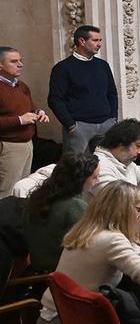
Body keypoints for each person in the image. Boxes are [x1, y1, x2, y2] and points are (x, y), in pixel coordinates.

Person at [34, 181, 140, 324]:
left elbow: (130, 244)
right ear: (125, 211)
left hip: (54, 321)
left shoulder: (87, 229)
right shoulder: (111, 240)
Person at [24, 151, 100, 273]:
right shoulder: (75, 206)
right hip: (61, 273)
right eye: (94, 177)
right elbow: (88, 247)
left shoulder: (38, 197)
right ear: (80, 179)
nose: (98, 180)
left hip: (38, 267)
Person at [47, 25, 118, 154]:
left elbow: (112, 93)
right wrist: (71, 125)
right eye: (95, 40)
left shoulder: (102, 65)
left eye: (100, 40)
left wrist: (113, 118)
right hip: (79, 125)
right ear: (82, 41)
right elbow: (55, 99)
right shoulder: (63, 68)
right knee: (78, 168)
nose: (99, 44)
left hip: (106, 124)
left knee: (108, 165)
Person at [0, 46, 49, 197]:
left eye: (21, 61)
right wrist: (20, 120)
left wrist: (38, 112)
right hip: (9, 145)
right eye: (14, 61)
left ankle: (18, 220)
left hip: (27, 143)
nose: (20, 64)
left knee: (22, 188)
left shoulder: (21, 86)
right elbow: (20, 117)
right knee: (7, 191)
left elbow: (29, 107)